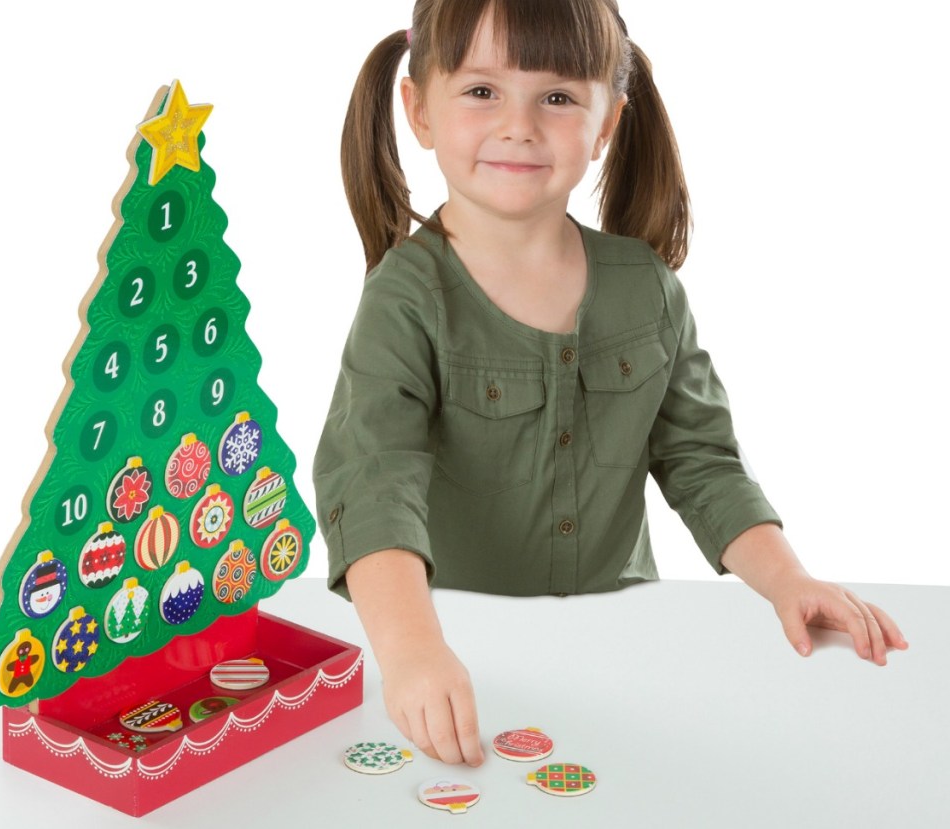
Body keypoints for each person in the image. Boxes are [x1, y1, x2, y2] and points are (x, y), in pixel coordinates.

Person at [313, 0, 908, 768]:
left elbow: (703, 461)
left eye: (557, 97)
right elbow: (372, 482)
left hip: (621, 650)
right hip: (461, 658)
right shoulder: (406, 296)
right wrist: (413, 653)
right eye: (482, 91)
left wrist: (789, 580)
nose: (519, 124)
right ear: (419, 109)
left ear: (606, 124)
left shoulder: (646, 288)